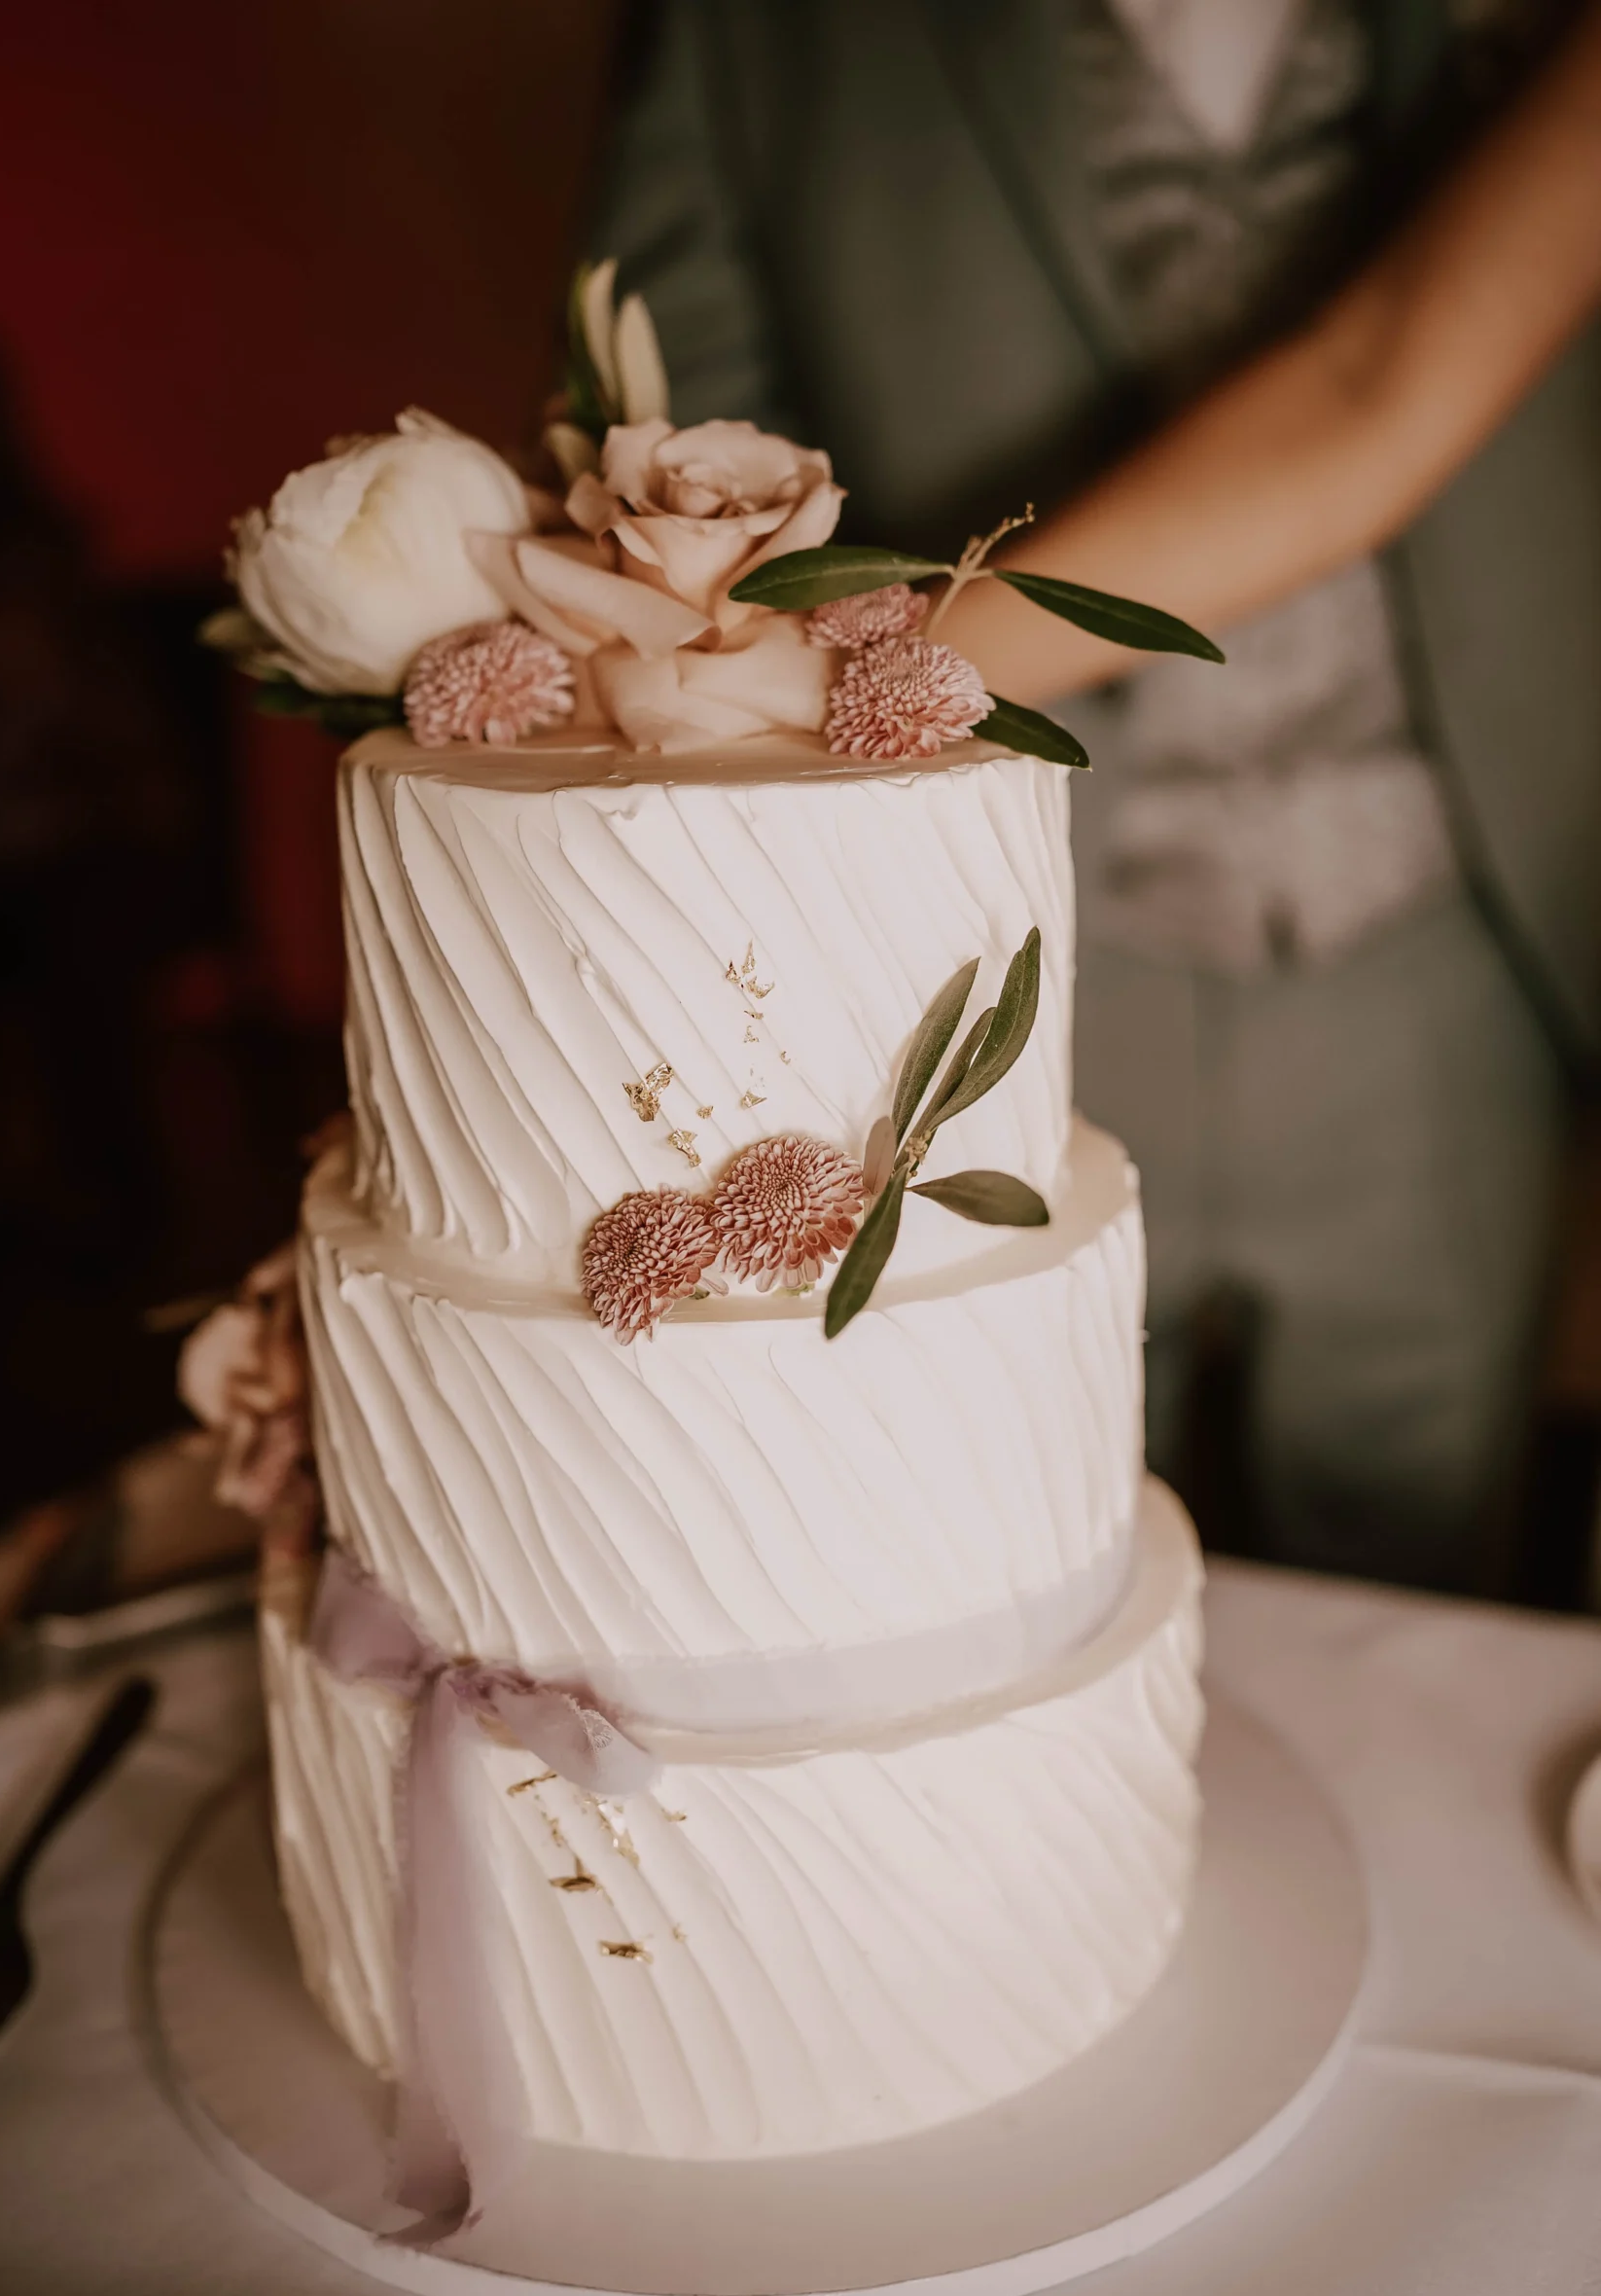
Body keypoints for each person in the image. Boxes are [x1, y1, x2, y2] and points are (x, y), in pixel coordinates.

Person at [591, 0, 1601, 1589]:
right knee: (1004, 1570)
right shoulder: (758, 36)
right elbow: (661, 462)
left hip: (1444, 940)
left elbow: (1382, 384)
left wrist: (864, 685)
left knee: (1410, 1580)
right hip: (995, 961)